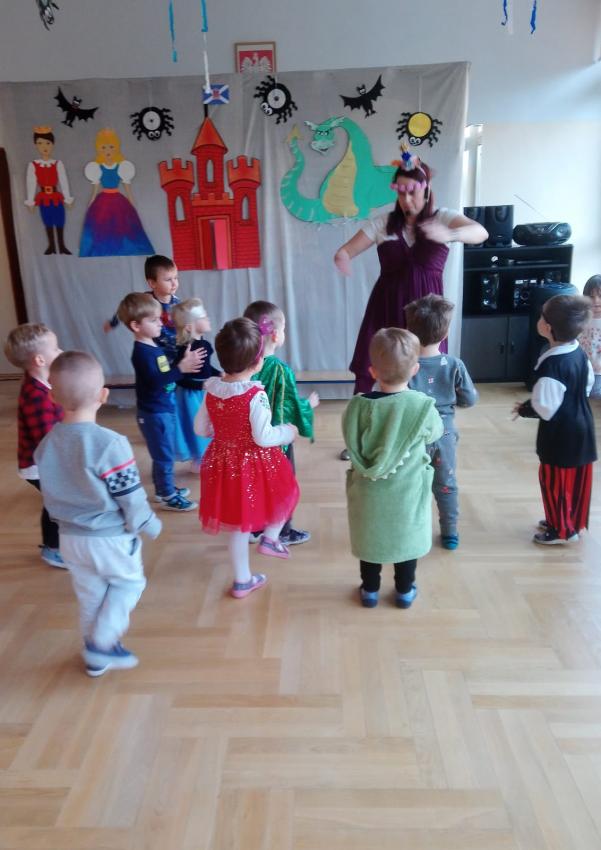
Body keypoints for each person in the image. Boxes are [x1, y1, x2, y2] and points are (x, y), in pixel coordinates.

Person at [34, 351, 161, 676]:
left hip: (70, 539)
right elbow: (129, 496)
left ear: (53, 396)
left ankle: (95, 657)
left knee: (91, 597)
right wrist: (147, 522)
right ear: (103, 395)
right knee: (128, 585)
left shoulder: (46, 446)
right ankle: (102, 642)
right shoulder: (110, 444)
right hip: (110, 538)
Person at [334, 148, 488, 396]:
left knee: (426, 371)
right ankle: (366, 411)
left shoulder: (444, 217)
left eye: (412, 192)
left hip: (426, 313)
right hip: (387, 306)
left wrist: (450, 233)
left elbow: (481, 233)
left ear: (426, 190)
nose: (406, 200)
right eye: (401, 193)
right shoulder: (383, 223)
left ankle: (426, 415)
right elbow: (346, 251)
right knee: (376, 363)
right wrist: (342, 257)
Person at [194, 317, 299, 599]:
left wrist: (223, 431)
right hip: (255, 463)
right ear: (258, 362)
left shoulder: (211, 389)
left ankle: (242, 580)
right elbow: (264, 437)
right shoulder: (255, 394)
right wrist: (287, 433)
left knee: (239, 527)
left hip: (223, 463)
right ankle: (270, 539)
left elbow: (200, 429)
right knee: (287, 493)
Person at [342, 327, 443, 608]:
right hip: (406, 494)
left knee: (370, 540)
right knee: (405, 540)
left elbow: (349, 437)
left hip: (368, 495)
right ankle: (404, 591)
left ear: (373, 372)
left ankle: (370, 591)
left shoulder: (357, 407)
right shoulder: (421, 407)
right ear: (415, 370)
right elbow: (435, 433)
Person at [513, 295, 596, 545]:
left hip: (561, 436)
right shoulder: (577, 352)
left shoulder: (553, 366)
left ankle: (561, 530)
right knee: (575, 480)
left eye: (542, 316)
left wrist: (525, 408)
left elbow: (545, 407)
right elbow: (587, 384)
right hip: (582, 426)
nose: (539, 319)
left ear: (548, 328)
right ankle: (570, 521)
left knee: (555, 482)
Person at [117, 292, 203, 511]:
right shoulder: (142, 353)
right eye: (154, 320)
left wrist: (181, 364)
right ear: (136, 325)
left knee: (163, 453)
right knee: (164, 456)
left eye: (159, 318)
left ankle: (163, 489)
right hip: (154, 413)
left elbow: (163, 372)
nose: (160, 323)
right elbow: (157, 381)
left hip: (163, 408)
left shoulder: (152, 346)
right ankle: (168, 495)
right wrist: (181, 369)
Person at [405, 294, 478, 550]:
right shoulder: (454, 364)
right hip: (444, 435)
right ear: (445, 333)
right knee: (446, 484)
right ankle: (450, 532)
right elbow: (469, 399)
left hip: (413, 435)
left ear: (410, 332)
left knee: (412, 484)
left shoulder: (406, 365)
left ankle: (411, 530)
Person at [242, 300, 318, 545]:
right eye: (283, 328)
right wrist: (308, 406)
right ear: (275, 334)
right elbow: (289, 405)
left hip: (248, 440)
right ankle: (282, 531)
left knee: (257, 484)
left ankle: (255, 528)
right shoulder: (280, 369)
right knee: (282, 486)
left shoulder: (240, 364)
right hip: (276, 441)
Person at [4, 322, 65, 568]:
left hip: (47, 460)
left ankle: (55, 544)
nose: (60, 352)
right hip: (40, 465)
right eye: (56, 348)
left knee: (55, 502)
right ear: (40, 360)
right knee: (58, 503)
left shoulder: (44, 383)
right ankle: (53, 549)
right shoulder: (36, 396)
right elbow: (47, 441)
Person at [79, 128, 154, 257]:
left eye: (111, 147)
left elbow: (128, 189)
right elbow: (94, 190)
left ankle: (119, 247)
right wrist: (90, 205)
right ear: (99, 149)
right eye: (103, 147)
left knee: (123, 226)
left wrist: (132, 204)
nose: (107, 151)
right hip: (102, 202)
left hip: (118, 201)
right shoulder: (97, 168)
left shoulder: (122, 167)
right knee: (102, 227)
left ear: (116, 148)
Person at [103, 255, 185, 364]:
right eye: (168, 280)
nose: (174, 283)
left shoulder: (177, 302)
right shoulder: (147, 300)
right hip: (156, 351)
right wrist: (113, 323)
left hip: (176, 350)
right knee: (160, 372)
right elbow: (126, 307)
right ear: (152, 283)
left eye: (176, 278)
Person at [171, 297, 220, 473]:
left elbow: (206, 368)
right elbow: (179, 377)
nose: (208, 319)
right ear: (189, 327)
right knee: (197, 425)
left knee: (207, 424)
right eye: (203, 317)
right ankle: (200, 459)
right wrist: (200, 386)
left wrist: (218, 374)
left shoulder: (203, 344)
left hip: (201, 391)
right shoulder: (186, 349)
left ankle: (205, 457)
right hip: (191, 396)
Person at [24, 126, 74, 255]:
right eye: (40, 143)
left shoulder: (57, 164)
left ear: (52, 144)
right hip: (43, 198)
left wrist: (67, 198)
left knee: (60, 219)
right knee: (47, 220)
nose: (44, 147)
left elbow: (63, 181)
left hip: (56, 197)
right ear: (36, 145)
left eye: (47, 143)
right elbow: (31, 183)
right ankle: (51, 245)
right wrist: (30, 201)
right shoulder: (33, 165)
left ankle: (61, 245)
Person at [579, 274, 601, 398]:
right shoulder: (583, 317)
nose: (596, 301)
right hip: (582, 367)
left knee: (595, 395)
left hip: (598, 372)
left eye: (600, 296)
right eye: (591, 297)